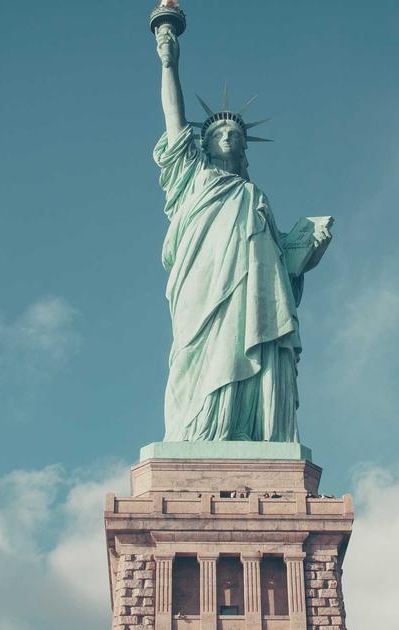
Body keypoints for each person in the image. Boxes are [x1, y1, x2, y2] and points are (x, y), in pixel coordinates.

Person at [153, 22, 331, 442]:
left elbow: (282, 267)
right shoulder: (192, 176)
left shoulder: (255, 196)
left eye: (236, 133)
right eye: (219, 133)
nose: (229, 136)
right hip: (202, 282)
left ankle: (249, 429)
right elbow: (174, 118)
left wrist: (308, 248)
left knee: (253, 345)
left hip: (252, 294)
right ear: (206, 144)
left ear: (244, 148)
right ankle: (198, 433)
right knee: (195, 353)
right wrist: (168, 62)